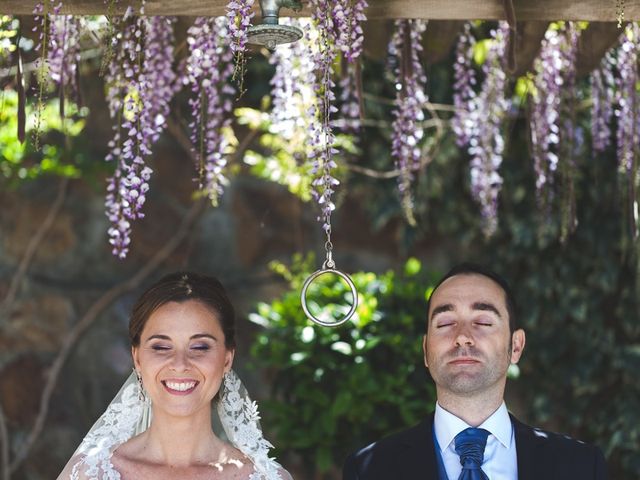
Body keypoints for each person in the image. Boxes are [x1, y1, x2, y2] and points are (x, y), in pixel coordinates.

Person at [343, 263, 607, 480]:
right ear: (426, 350)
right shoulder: (369, 470)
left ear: (515, 346)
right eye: (445, 323)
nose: (462, 338)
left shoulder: (581, 467)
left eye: (482, 321)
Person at [58, 272, 292, 480]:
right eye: (161, 347)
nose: (180, 364)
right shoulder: (90, 473)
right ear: (137, 359)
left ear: (227, 360)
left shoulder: (264, 477)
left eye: (200, 347)